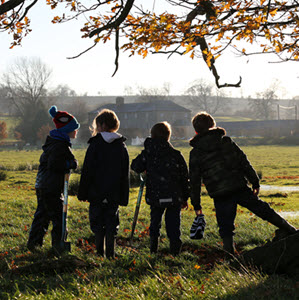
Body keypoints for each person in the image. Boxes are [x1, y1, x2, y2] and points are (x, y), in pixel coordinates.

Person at [189, 111, 297, 254]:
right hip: (238, 186)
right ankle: (290, 230)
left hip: (219, 193)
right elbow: (243, 161)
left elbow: (195, 181)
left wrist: (196, 204)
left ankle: (230, 254)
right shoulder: (225, 142)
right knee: (262, 209)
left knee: (225, 225)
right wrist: (255, 181)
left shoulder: (196, 152)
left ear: (196, 130)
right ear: (213, 125)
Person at [131, 122, 189, 255]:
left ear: (152, 135)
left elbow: (135, 166)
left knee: (155, 222)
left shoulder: (148, 153)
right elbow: (184, 177)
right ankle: (175, 252)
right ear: (168, 136)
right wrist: (185, 197)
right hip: (174, 196)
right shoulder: (176, 155)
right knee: (174, 224)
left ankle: (153, 249)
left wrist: (145, 166)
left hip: (155, 195)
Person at [77, 109, 129, 258]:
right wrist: (123, 196)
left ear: (101, 125)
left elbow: (87, 170)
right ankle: (110, 254)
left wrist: (83, 192)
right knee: (112, 223)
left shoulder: (95, 145)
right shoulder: (121, 145)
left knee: (97, 223)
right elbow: (124, 174)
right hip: (114, 192)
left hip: (96, 192)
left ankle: (99, 252)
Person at [27, 105, 80, 252]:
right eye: (75, 128)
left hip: (43, 184)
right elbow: (56, 164)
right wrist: (71, 163)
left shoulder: (54, 142)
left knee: (42, 215)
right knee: (58, 217)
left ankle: (34, 242)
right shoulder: (60, 145)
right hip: (52, 187)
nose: (76, 131)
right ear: (67, 130)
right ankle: (58, 244)